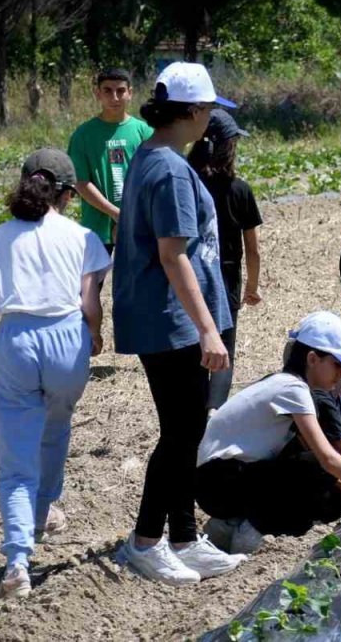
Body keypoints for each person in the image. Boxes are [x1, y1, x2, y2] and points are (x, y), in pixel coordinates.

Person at [112, 62, 241, 585]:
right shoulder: (167, 168)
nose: (211, 120)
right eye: (209, 109)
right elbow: (173, 255)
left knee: (189, 430)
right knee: (181, 433)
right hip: (171, 321)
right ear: (192, 111)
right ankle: (145, 542)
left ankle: (184, 536)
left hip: (170, 317)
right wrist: (207, 328)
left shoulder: (154, 156)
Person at [0, 149, 112, 599]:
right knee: (55, 429)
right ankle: (40, 515)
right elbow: (90, 303)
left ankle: (17, 560)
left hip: (17, 339)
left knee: (15, 463)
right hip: (67, 340)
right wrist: (94, 335)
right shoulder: (82, 237)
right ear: (68, 195)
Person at [196, 312, 341, 555]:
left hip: (220, 480)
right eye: (337, 365)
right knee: (315, 468)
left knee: (314, 470)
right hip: (217, 483)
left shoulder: (286, 384)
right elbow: (329, 459)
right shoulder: (293, 389)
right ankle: (251, 529)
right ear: (312, 359)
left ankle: (229, 525)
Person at [188, 109, 263, 410]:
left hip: (190, 279)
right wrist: (252, 287)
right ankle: (215, 411)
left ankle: (194, 410)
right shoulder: (239, 189)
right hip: (226, 282)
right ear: (229, 146)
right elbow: (253, 249)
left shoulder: (188, 185)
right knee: (224, 351)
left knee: (193, 348)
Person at [67, 68, 153, 254]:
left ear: (130, 93)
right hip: (97, 227)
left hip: (137, 223)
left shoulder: (145, 131)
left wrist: (130, 215)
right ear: (97, 93)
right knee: (94, 274)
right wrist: (115, 213)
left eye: (120, 91)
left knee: (134, 273)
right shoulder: (83, 135)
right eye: (107, 91)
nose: (114, 97)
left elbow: (152, 178)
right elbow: (81, 182)